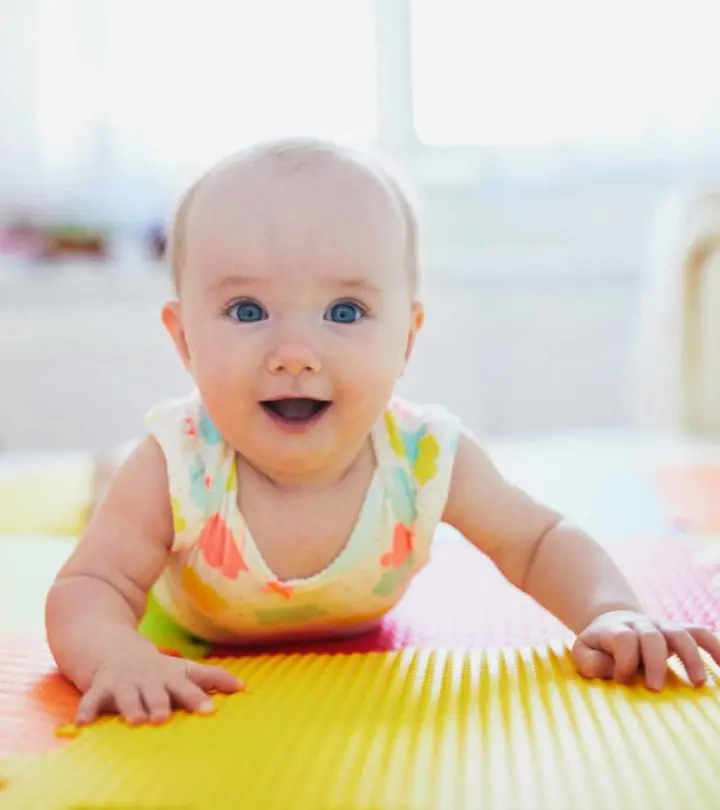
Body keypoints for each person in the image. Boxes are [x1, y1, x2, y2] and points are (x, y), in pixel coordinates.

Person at [45, 138, 720, 727]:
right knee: (112, 509)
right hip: (190, 608)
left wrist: (611, 612)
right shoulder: (175, 463)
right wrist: (119, 654)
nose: (295, 352)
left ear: (407, 338)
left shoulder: (424, 457)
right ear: (185, 339)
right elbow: (89, 588)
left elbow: (539, 541)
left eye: (345, 310)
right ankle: (98, 476)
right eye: (247, 310)